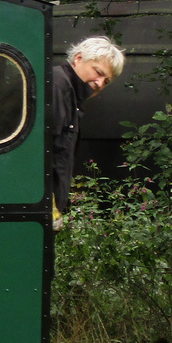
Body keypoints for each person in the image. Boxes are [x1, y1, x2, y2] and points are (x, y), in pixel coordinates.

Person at [50, 36, 125, 229]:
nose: (100, 83)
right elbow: (39, 151)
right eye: (98, 72)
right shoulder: (58, 86)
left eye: (106, 81)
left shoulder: (71, 96)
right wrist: (46, 206)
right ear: (78, 59)